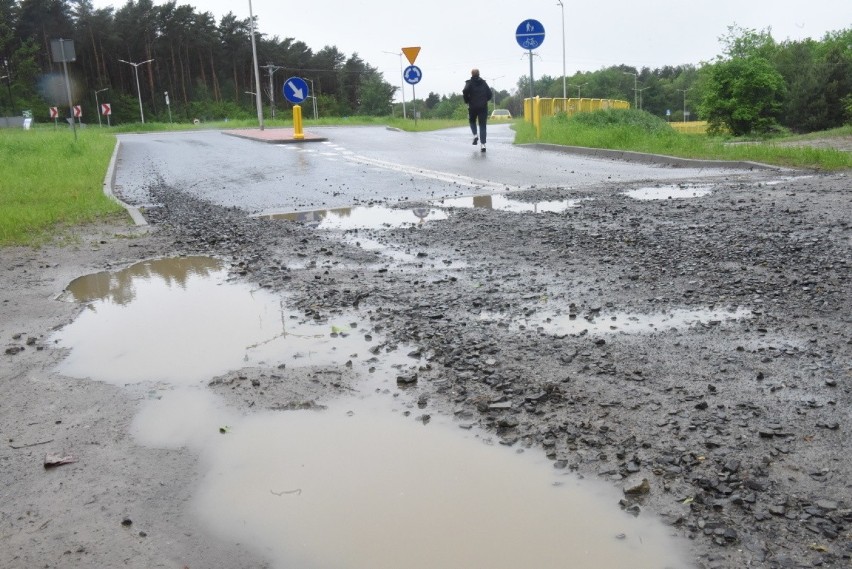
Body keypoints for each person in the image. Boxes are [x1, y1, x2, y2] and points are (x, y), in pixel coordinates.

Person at [462, 68, 492, 152]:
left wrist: (467, 101)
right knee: (482, 125)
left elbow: (464, 91)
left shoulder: (469, 83)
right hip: (483, 107)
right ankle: (483, 145)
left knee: (472, 121)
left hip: (473, 106)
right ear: (479, 74)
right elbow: (490, 94)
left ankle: (475, 135)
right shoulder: (483, 82)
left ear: (471, 74)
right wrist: (485, 100)